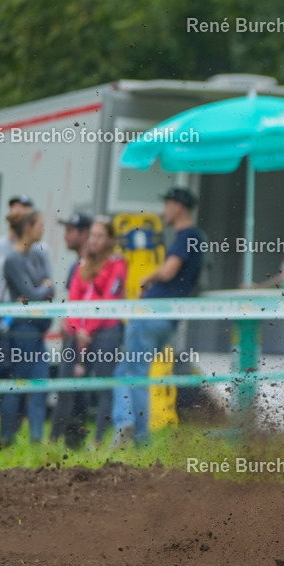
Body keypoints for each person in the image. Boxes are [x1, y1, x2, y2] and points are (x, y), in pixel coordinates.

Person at [112, 187, 204, 446]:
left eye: (166, 205)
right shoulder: (195, 237)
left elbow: (168, 271)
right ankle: (132, 429)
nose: (163, 211)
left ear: (178, 207)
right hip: (168, 319)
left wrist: (146, 278)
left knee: (131, 373)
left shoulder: (186, 236)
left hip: (153, 315)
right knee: (131, 371)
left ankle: (132, 429)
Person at [0, 195, 44, 446]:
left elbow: (40, 289)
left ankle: (6, 438)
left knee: (15, 384)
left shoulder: (36, 252)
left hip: (20, 325)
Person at [52, 220, 127, 448]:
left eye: (100, 236)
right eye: (92, 235)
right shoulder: (81, 265)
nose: (93, 240)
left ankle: (98, 440)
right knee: (69, 385)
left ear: (110, 240)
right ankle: (59, 439)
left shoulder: (118, 264)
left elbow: (109, 301)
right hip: (79, 335)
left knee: (104, 386)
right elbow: (73, 300)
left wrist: (88, 330)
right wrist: (77, 329)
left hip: (106, 332)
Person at [0, 210, 54, 446]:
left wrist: (41, 291)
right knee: (18, 384)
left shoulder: (37, 256)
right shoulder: (12, 260)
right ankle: (6, 438)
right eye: (40, 225)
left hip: (38, 330)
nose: (43, 229)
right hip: (22, 331)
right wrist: (42, 290)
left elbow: (49, 290)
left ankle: (36, 439)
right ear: (29, 227)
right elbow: (35, 293)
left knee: (40, 383)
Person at [58, 211, 93, 288]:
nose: (65, 237)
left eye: (69, 231)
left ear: (85, 233)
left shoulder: (98, 266)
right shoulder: (74, 267)